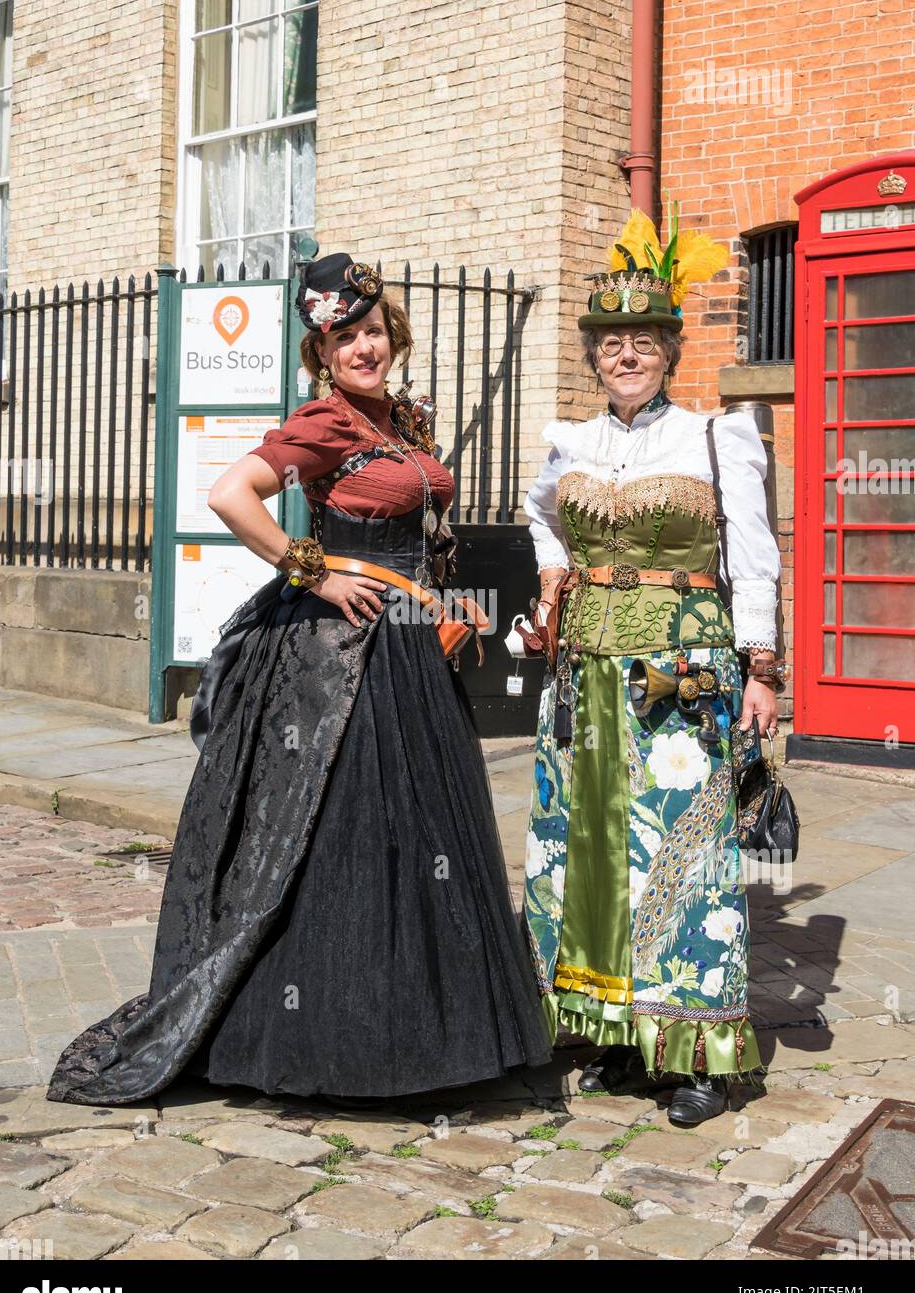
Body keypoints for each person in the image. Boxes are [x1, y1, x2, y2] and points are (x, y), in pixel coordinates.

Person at [46, 252, 553, 1108]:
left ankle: (428, 1036)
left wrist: (442, 598)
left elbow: (424, 524)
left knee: (418, 832)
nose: (364, 347)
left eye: (373, 331)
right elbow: (230, 493)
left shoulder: (402, 419)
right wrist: (312, 571)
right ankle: (333, 1043)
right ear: (321, 353)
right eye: (344, 338)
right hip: (346, 651)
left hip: (409, 643)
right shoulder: (326, 425)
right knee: (345, 832)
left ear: (393, 333)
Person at [522, 209, 785, 1126]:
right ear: (594, 358)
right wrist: (552, 585)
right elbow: (540, 517)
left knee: (684, 850)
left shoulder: (717, 438)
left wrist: (763, 668)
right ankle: (612, 1029)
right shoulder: (571, 441)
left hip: (682, 671)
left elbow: (754, 558)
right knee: (589, 849)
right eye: (611, 343)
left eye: (644, 340)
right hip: (585, 672)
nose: (626, 354)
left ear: (671, 351)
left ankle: (697, 1056)